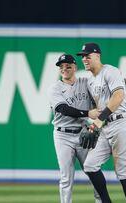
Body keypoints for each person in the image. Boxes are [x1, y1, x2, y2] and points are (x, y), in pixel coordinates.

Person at [77, 43, 126, 203]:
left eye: (87, 55)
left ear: (97, 55)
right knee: (90, 165)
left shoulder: (110, 71)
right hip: (106, 126)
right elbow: (97, 108)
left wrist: (98, 120)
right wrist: (91, 120)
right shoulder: (90, 81)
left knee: (123, 171)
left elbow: (118, 96)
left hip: (123, 123)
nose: (84, 59)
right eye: (82, 56)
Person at [47, 54, 101, 203]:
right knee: (66, 177)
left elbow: (101, 95)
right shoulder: (54, 89)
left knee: (93, 172)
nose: (64, 69)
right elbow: (63, 109)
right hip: (62, 136)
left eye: (68, 66)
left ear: (75, 67)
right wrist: (88, 113)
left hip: (84, 133)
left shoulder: (86, 82)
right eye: (61, 66)